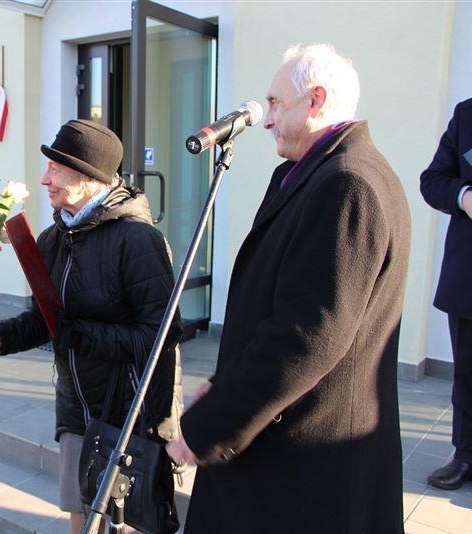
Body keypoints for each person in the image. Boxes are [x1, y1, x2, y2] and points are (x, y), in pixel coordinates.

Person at [166, 44, 411, 533]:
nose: (268, 119)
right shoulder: (319, 175)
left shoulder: (348, 185)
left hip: (309, 461)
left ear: (315, 101)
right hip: (293, 443)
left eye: (276, 103)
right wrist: (228, 382)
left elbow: (307, 335)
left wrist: (214, 422)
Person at [0, 119, 183, 533]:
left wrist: (86, 337)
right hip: (77, 410)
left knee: (127, 522)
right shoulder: (54, 238)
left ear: (88, 176)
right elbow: (46, 319)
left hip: (130, 414)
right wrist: (0, 336)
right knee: (82, 515)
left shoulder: (137, 240)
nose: (44, 179)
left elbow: (161, 336)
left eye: (55, 169)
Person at [420, 97, 472, 490]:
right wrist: (465, 196)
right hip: (469, 277)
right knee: (468, 375)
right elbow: (432, 180)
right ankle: (466, 455)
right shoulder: (467, 115)